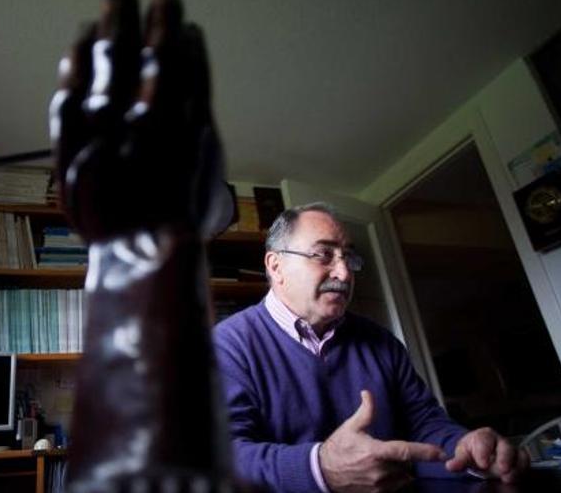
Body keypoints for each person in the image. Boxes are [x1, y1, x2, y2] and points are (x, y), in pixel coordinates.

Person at [213, 202, 529, 493]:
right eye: (324, 255)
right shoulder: (225, 346)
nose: (344, 273)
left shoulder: (382, 343)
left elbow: (422, 423)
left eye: (348, 257)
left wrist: (467, 447)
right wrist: (320, 469)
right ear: (275, 266)